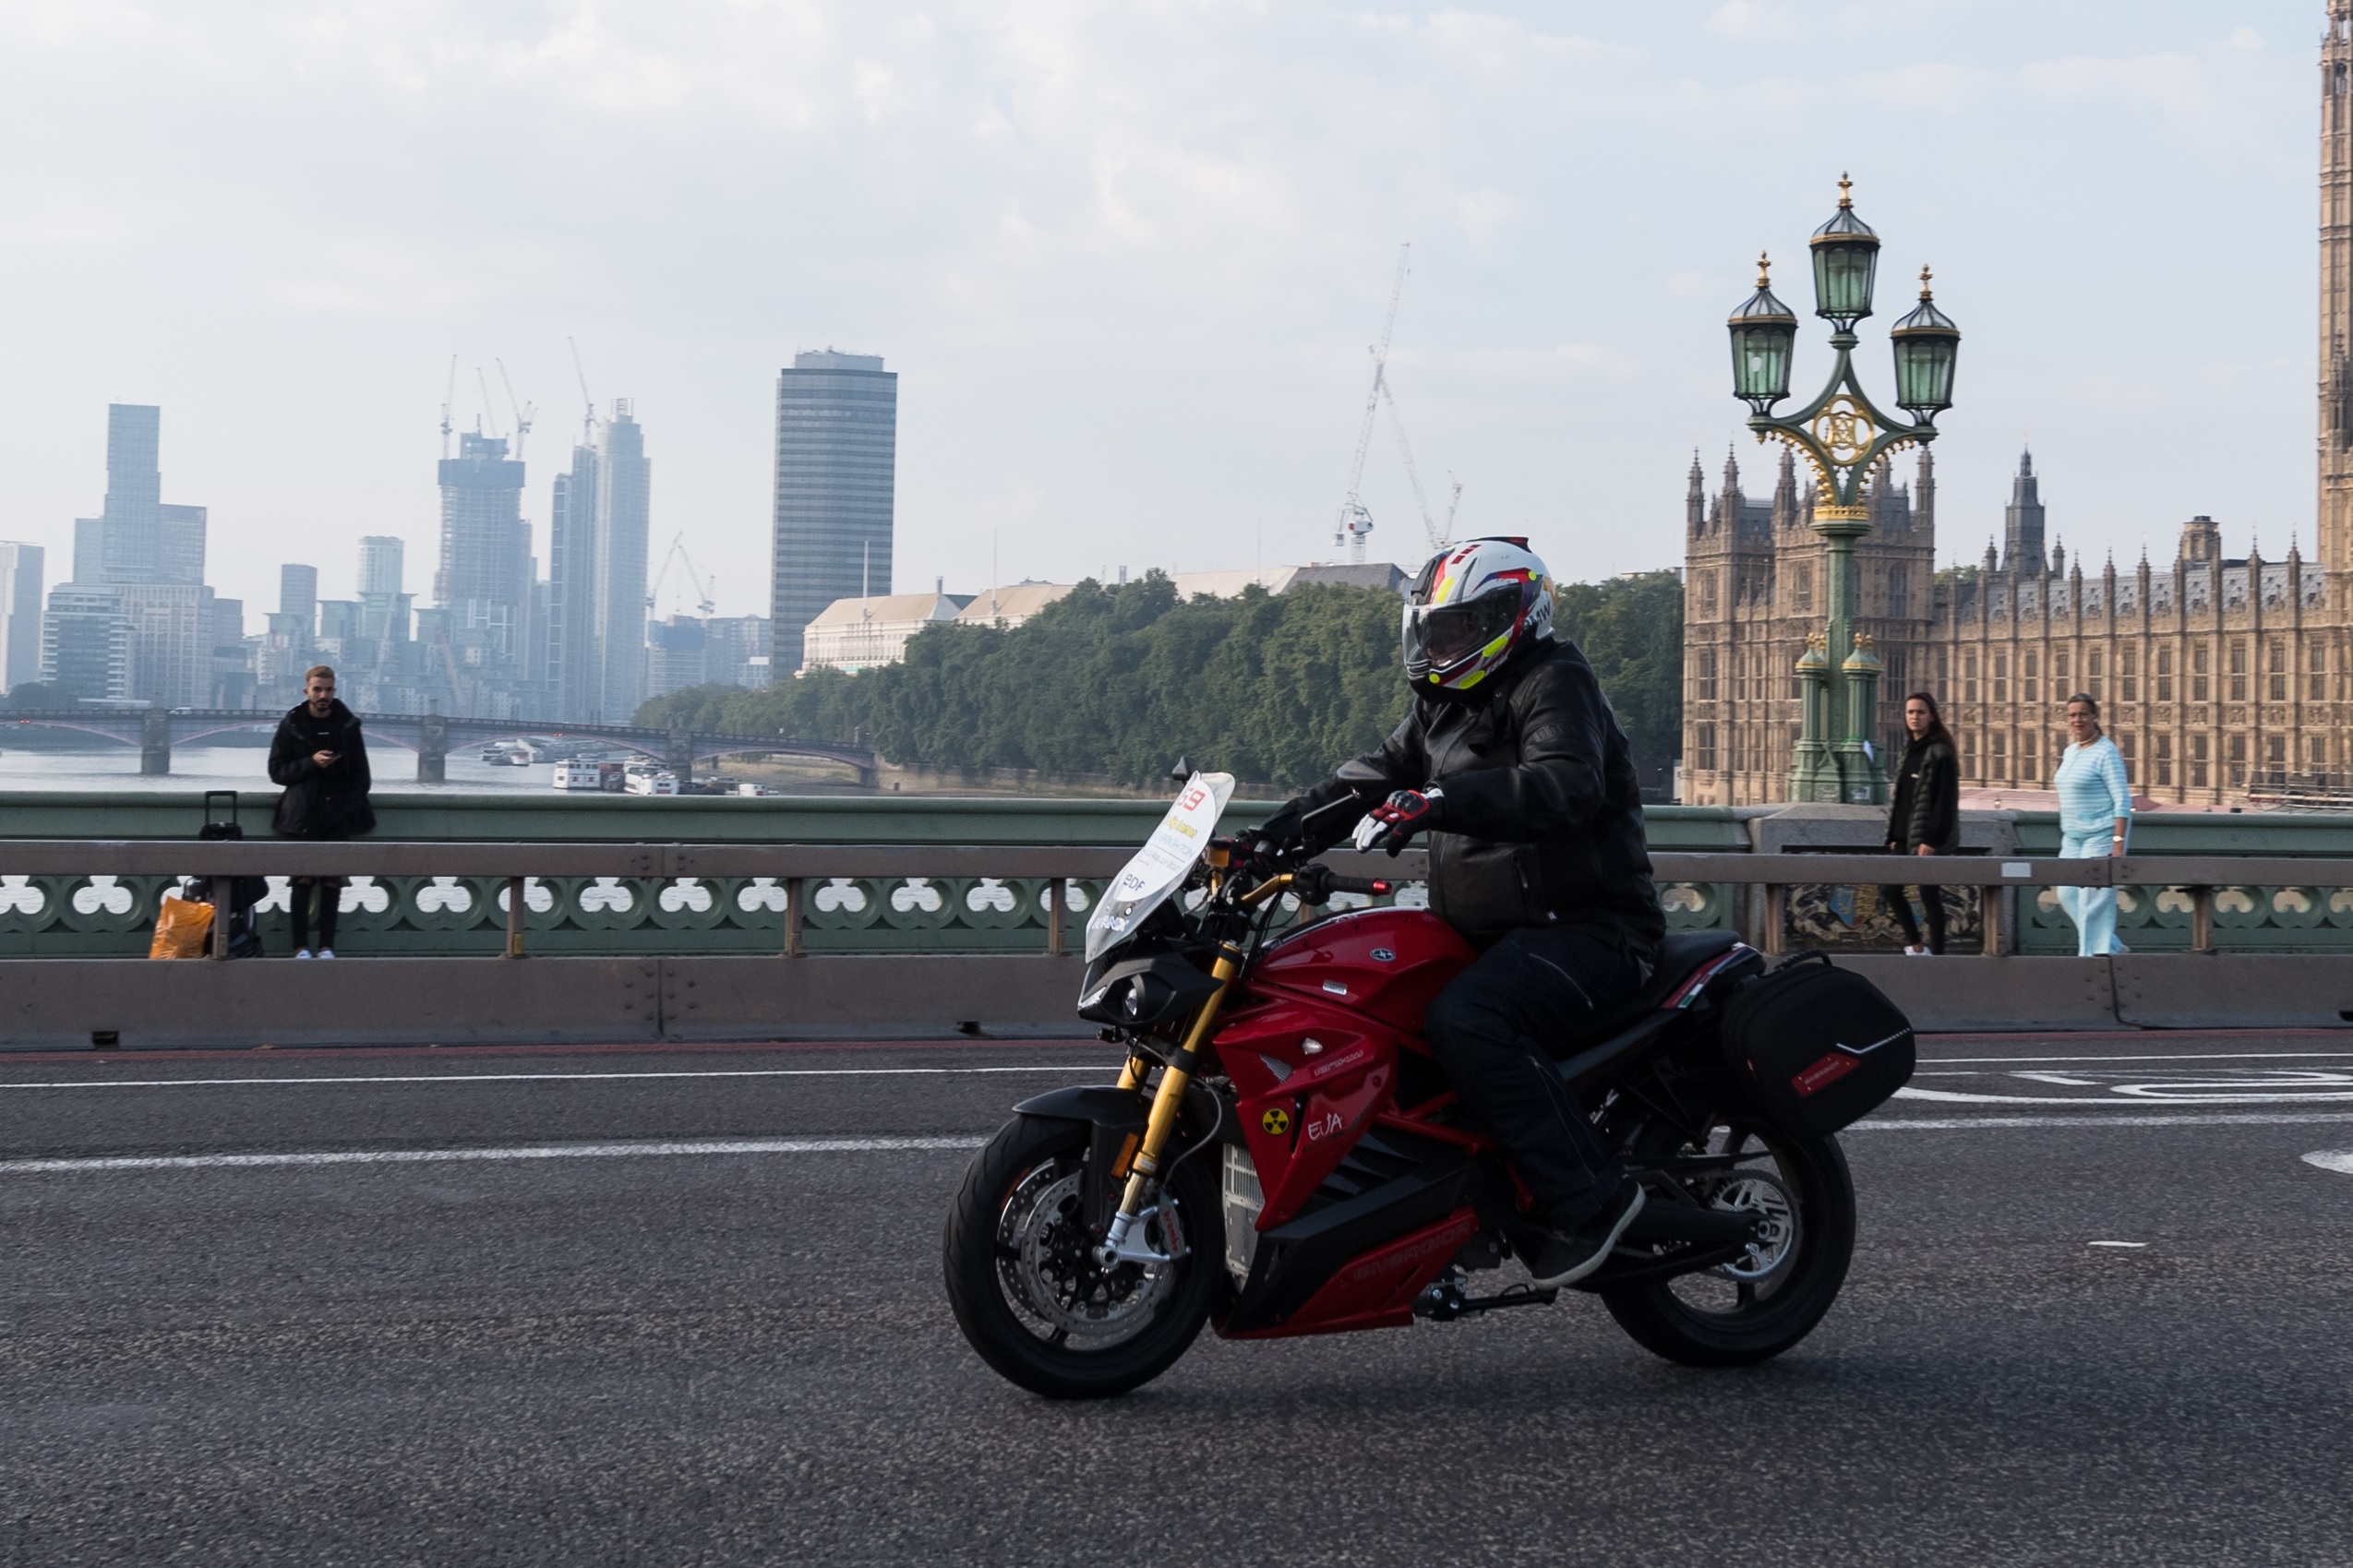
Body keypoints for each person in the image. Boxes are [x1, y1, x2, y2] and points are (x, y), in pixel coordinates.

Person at [1253, 537, 1663, 1290]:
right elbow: (1366, 779)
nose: (1439, 644)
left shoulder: (1556, 681)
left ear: (1510, 615)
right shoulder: (1442, 706)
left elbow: (1562, 784)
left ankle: (1593, 1202)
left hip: (1588, 932)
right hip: (1489, 934)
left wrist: (1442, 800)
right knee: (1383, 1005)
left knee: (1466, 1021)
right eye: (1433, 629)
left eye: (1456, 628)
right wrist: (1269, 834)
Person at [267, 665, 375, 958]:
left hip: (336, 815)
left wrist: (346, 809)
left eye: (328, 689)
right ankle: (300, 947)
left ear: (334, 691)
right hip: (301, 815)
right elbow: (276, 771)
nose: (323, 695)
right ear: (307, 692)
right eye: (317, 689)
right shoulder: (291, 724)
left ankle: (327, 947)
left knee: (330, 883)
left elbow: (362, 777)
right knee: (301, 881)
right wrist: (311, 762)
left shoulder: (348, 726)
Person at [2053, 691, 2131, 957]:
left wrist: (2117, 845)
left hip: (2101, 835)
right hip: (2072, 837)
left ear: (2094, 716)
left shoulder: (2107, 752)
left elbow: (2122, 801)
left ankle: (2090, 967)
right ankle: (2115, 949)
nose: (2077, 719)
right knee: (2067, 895)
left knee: (2092, 905)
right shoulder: (2070, 751)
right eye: (2072, 715)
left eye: (2083, 714)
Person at [1882, 691, 1959, 954]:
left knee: (1929, 896)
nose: (1915, 717)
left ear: (1932, 716)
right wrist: (1893, 835)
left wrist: (1932, 839)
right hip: (1904, 836)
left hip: (1927, 839)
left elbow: (1944, 800)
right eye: (1911, 712)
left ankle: (1937, 955)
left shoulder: (1940, 753)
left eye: (1921, 712)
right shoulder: (1907, 751)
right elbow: (1902, 797)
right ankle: (1916, 945)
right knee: (1891, 890)